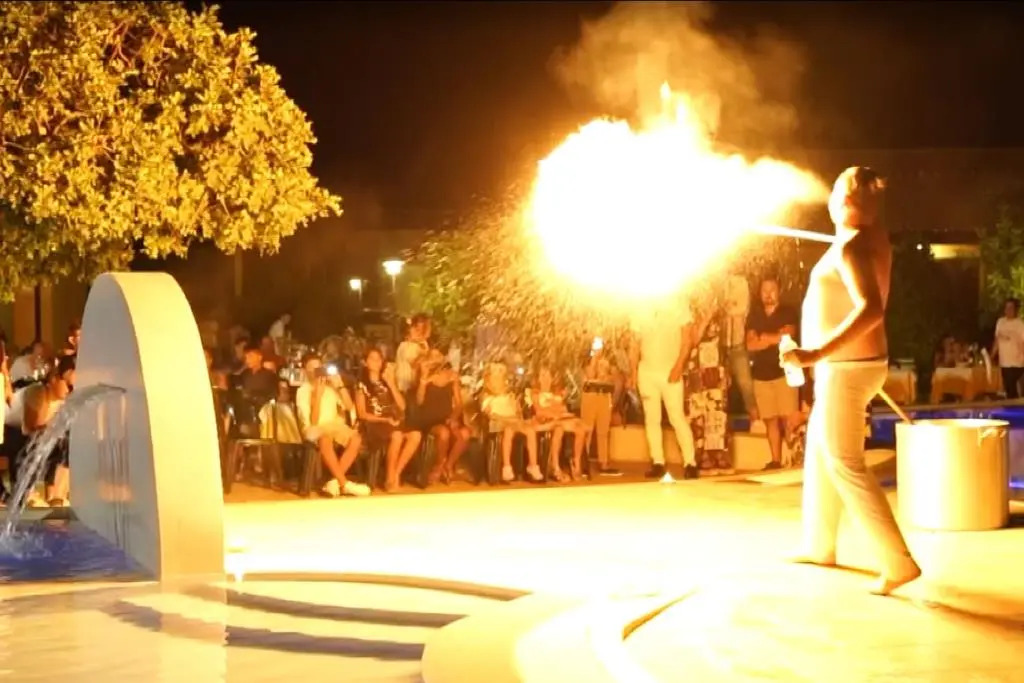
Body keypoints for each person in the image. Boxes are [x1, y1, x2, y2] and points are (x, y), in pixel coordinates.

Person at [781, 166, 920, 596]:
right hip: (850, 367)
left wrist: (813, 354)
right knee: (821, 452)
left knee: (844, 461)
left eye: (835, 190)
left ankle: (897, 562)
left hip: (847, 369)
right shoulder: (867, 236)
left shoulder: (852, 245)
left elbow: (871, 309)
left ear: (842, 200)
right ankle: (819, 543)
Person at [628, 300, 698, 481]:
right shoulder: (640, 306)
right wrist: (633, 372)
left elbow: (687, 340)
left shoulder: (679, 305)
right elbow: (634, 343)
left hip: (670, 371)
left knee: (677, 417)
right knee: (652, 418)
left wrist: (679, 366)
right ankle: (657, 462)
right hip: (647, 372)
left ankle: (690, 462)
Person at [2, 355, 76, 507]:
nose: (71, 391)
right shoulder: (37, 392)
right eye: (68, 385)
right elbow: (31, 427)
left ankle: (56, 495)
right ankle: (25, 494)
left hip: (22, 435)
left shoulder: (63, 402)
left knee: (67, 443)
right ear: (54, 379)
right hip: (7, 433)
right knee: (37, 440)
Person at [295, 353, 370, 497]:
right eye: (312, 368)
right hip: (314, 428)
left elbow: (349, 406)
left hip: (334, 425)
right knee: (325, 439)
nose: (317, 371)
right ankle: (344, 483)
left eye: (319, 367)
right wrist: (317, 395)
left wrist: (340, 386)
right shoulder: (303, 390)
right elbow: (313, 421)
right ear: (305, 370)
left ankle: (334, 482)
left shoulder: (330, 387)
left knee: (356, 439)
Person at [746, 276, 800, 470]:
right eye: (764, 290)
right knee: (770, 420)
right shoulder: (755, 315)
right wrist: (774, 337)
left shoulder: (788, 312)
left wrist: (764, 337)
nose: (768, 294)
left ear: (779, 291)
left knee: (788, 419)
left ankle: (794, 458)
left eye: (772, 290)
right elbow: (751, 344)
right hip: (761, 375)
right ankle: (775, 460)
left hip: (785, 373)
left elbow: (788, 335)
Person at [355, 347, 422, 491]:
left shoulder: (387, 381)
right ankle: (390, 479)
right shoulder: (361, 385)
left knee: (415, 435)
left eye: (379, 359)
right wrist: (385, 420)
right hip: (374, 423)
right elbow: (362, 414)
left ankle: (395, 474)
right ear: (365, 362)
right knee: (396, 435)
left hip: (392, 421)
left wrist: (391, 383)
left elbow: (402, 406)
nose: (376, 362)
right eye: (372, 358)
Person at [416, 349, 471, 486]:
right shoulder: (424, 375)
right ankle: (439, 466)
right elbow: (419, 401)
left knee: (465, 433)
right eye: (432, 356)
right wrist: (423, 381)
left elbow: (459, 404)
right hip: (430, 418)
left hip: (447, 417)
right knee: (444, 433)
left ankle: (447, 465)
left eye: (438, 355)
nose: (435, 358)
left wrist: (453, 418)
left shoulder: (451, 376)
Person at [480, 363, 543, 483]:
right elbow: (489, 415)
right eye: (495, 379)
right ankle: (507, 467)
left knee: (530, 431)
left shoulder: (510, 396)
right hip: (498, 423)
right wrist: (505, 419)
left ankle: (533, 465)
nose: (499, 383)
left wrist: (518, 413)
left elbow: (517, 413)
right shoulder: (488, 398)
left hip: (513, 421)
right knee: (508, 431)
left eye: (501, 379)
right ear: (488, 382)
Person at [529, 364, 590, 481]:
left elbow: (563, 409)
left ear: (552, 378)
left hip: (559, 420)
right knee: (559, 429)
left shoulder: (556, 394)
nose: (545, 378)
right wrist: (554, 413)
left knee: (580, 429)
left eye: (548, 375)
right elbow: (539, 411)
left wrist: (560, 412)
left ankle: (576, 462)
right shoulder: (535, 393)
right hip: (545, 422)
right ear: (539, 379)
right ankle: (555, 466)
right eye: (543, 375)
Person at [581, 337, 623, 476]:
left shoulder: (609, 359)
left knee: (603, 431)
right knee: (587, 430)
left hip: (604, 396)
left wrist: (608, 377)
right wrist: (595, 358)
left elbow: (616, 377)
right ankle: (583, 462)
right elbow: (590, 374)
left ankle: (603, 463)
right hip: (590, 395)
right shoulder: (587, 358)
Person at [991, 298, 1024, 399]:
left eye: (1011, 308)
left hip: (1017, 362)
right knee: (1008, 388)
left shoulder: (1020, 324)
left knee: (1012, 386)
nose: (1008, 310)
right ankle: (1012, 405)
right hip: (1004, 362)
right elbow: (997, 341)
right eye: (1007, 308)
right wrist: (991, 356)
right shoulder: (1000, 322)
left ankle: (1015, 406)